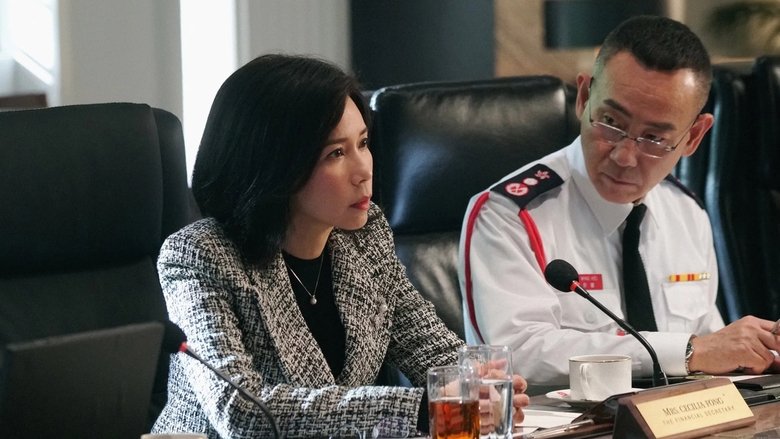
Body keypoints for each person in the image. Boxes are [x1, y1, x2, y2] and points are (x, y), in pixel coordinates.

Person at [152, 54, 529, 438]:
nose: (364, 170)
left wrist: (478, 382)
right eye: (336, 153)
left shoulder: (364, 238)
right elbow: (241, 411)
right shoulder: (199, 255)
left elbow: (426, 345)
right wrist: (422, 409)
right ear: (276, 166)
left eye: (363, 143)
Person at [458, 15, 780, 387]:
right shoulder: (509, 214)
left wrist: (757, 355)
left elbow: (708, 346)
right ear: (583, 98)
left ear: (693, 137)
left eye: (654, 139)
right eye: (611, 122)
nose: (625, 156)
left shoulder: (687, 211)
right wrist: (687, 351)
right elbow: (517, 354)